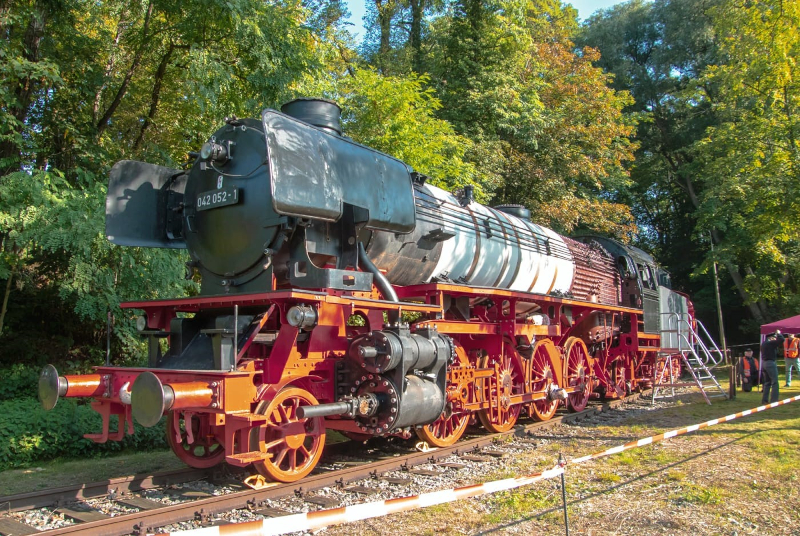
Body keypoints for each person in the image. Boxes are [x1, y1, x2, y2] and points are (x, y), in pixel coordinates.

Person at [760, 331, 785, 403]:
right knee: (775, 382)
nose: (775, 339)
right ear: (771, 338)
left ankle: (764, 400)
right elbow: (782, 340)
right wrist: (779, 333)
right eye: (774, 338)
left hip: (764, 363)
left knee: (767, 383)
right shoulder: (770, 343)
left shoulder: (764, 344)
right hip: (770, 363)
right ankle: (774, 400)